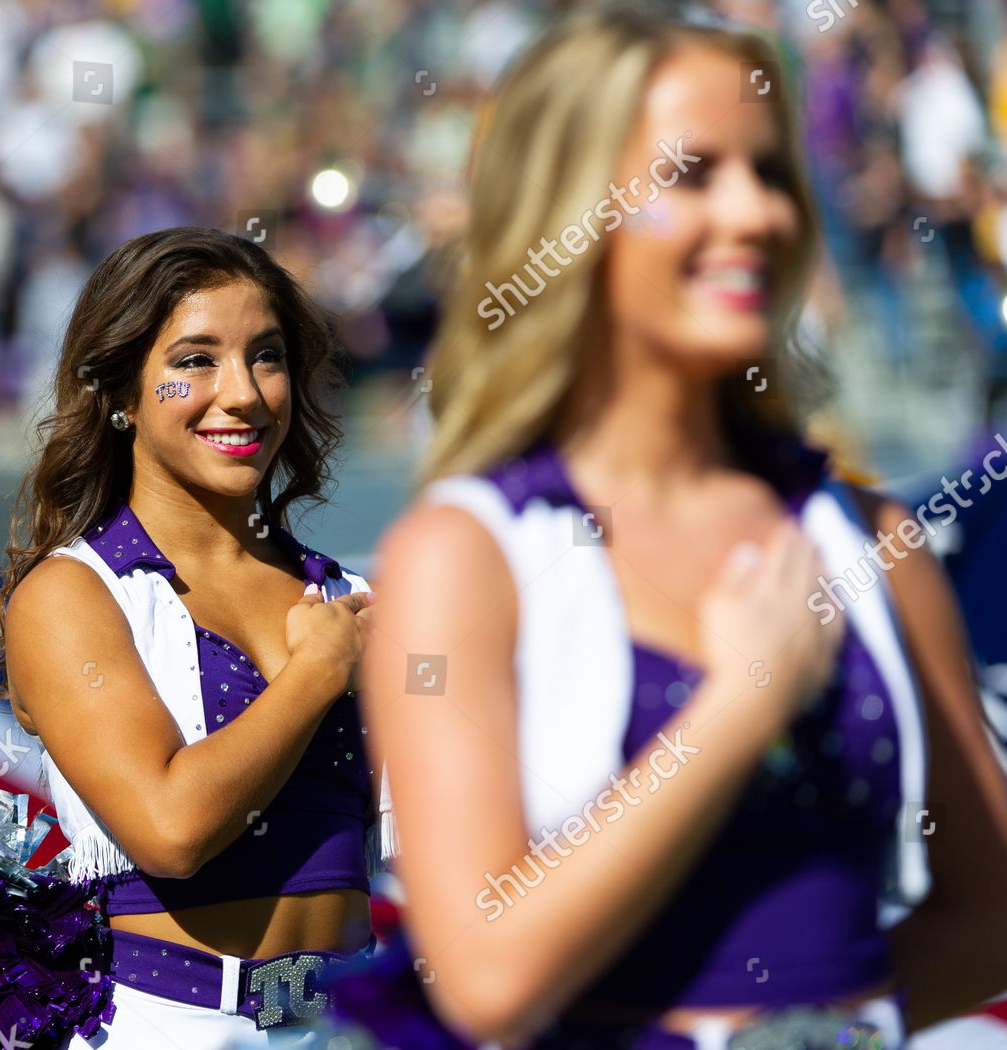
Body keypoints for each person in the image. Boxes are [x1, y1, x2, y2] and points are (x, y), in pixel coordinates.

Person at [361, 7, 1007, 1050]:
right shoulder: (466, 556)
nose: (756, 213)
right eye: (692, 174)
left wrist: (837, 1034)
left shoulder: (867, 537)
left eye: (771, 173)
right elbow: (484, 978)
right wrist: (743, 703)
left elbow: (990, 920)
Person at [0, 226, 395, 1048]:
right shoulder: (70, 595)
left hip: (347, 1023)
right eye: (195, 361)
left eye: (267, 356)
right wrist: (317, 676)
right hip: (167, 1025)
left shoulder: (346, 596)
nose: (241, 393)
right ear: (122, 394)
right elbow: (170, 830)